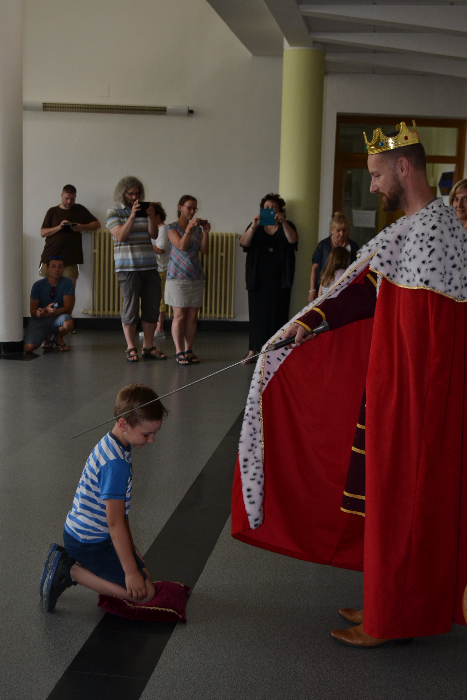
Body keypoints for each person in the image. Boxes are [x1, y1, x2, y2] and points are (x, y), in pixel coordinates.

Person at [231, 120, 467, 647]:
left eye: (378, 175)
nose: (374, 185)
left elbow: (426, 333)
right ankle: (387, 600)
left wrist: (407, 404)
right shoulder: (418, 226)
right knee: (388, 499)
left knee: (403, 499)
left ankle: (390, 618)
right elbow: (367, 290)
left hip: (415, 400)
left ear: (403, 167)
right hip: (398, 390)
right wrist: (308, 323)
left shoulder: (433, 231)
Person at [40, 383, 168, 613]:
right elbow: (115, 522)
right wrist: (130, 572)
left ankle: (77, 565)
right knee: (145, 594)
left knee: (144, 576)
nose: (151, 441)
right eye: (146, 434)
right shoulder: (116, 464)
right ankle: (69, 570)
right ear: (124, 424)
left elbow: (121, 513)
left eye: (154, 434)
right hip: (88, 542)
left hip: (91, 534)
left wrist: (131, 547)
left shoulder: (114, 443)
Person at [107, 177, 167, 362]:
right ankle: (131, 347)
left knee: (152, 308)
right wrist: (132, 216)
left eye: (137, 194)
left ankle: (148, 347)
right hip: (128, 268)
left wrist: (150, 217)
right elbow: (120, 236)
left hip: (149, 266)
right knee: (130, 308)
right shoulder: (113, 211)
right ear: (122, 194)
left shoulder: (144, 210)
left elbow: (154, 234)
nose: (134, 197)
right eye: (130, 194)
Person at [239, 193, 298, 364]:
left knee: (278, 313)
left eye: (274, 207)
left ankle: (277, 350)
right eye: (267, 208)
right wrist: (254, 226)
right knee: (257, 315)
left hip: (280, 279)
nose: (270, 210)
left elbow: (293, 240)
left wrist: (283, 222)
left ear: (280, 210)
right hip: (258, 278)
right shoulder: (255, 226)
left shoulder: (287, 225)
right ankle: (253, 351)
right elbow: (243, 243)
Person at [165, 195, 210, 365]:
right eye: (189, 207)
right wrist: (189, 228)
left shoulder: (197, 230)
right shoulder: (172, 227)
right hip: (177, 277)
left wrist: (205, 233)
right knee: (179, 316)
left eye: (194, 208)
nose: (192, 211)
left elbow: (204, 250)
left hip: (196, 276)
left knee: (192, 317)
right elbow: (181, 246)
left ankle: (188, 349)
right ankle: (178, 351)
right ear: (180, 207)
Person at [40, 185, 101, 289]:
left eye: (72, 199)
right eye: (66, 198)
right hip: (50, 257)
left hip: (70, 259)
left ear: (75, 197)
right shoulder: (52, 211)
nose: (69, 201)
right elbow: (43, 233)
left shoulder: (79, 209)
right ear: (61, 196)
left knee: (68, 293)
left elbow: (97, 224)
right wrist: (59, 227)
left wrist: (81, 227)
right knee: (48, 293)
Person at [24, 256, 75, 353]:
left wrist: (49, 312)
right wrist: (40, 312)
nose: (57, 270)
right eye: (53, 266)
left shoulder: (67, 283)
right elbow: (33, 311)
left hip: (57, 318)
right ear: (47, 269)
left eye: (60, 267)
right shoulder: (37, 285)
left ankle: (59, 337)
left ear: (63, 269)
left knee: (68, 323)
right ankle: (46, 337)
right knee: (29, 348)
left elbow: (67, 308)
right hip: (40, 320)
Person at [308, 212, 359, 303]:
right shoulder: (323, 245)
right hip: (324, 286)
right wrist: (312, 290)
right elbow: (315, 268)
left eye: (344, 230)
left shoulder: (353, 246)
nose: (341, 234)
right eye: (338, 230)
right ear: (332, 229)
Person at [151, 202, 170, 338]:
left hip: (162, 269)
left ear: (157, 215)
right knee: (154, 298)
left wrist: (144, 243)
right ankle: (155, 328)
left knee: (160, 298)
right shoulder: (154, 229)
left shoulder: (163, 229)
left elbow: (160, 249)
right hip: (154, 268)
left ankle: (159, 329)